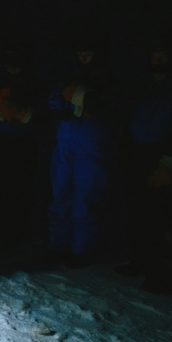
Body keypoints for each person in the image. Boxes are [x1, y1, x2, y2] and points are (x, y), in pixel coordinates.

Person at [115, 37, 172, 292]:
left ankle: (161, 272)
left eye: (164, 54)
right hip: (138, 153)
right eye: (155, 54)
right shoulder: (145, 83)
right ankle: (141, 260)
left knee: (160, 215)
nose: (158, 58)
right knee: (138, 211)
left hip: (162, 156)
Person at [46, 29, 122, 268]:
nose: (84, 57)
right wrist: (74, 104)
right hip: (65, 143)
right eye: (80, 53)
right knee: (60, 196)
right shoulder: (70, 76)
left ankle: (81, 250)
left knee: (86, 198)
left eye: (88, 53)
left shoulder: (108, 78)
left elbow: (108, 108)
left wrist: (83, 101)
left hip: (91, 146)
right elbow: (54, 101)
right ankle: (58, 246)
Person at [0, 43, 48, 248]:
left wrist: (23, 115)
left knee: (18, 189)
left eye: (17, 64)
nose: (12, 68)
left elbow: (40, 116)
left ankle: (14, 235)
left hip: (22, 143)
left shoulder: (34, 84)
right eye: (9, 63)